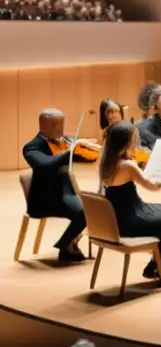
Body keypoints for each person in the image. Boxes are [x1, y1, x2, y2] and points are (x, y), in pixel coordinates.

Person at [98, 121, 161, 280]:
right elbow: (152, 186)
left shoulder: (105, 162)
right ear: (126, 143)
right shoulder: (127, 165)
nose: (136, 144)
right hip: (132, 218)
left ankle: (159, 265)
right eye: (134, 141)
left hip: (117, 217)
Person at [22, 108, 100, 262]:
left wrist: (92, 150)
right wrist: (71, 151)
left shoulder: (63, 141)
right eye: (56, 125)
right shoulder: (32, 147)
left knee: (95, 208)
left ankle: (68, 243)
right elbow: (44, 164)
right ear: (44, 125)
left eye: (61, 124)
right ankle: (66, 246)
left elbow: (87, 157)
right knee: (83, 212)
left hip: (67, 192)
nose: (61, 129)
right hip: (46, 198)